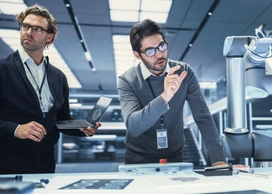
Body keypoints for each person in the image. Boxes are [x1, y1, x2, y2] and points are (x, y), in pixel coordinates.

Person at [0, 4, 101, 174]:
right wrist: (16, 129)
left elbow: (60, 120)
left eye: (37, 29)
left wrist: (82, 128)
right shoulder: (2, 68)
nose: (29, 32)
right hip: (7, 162)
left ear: (49, 37)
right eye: (25, 26)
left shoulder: (58, 77)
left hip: (46, 163)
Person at [117, 19, 228, 167]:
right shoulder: (127, 80)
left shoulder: (184, 72)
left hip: (175, 156)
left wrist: (218, 159)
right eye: (150, 51)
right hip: (138, 159)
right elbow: (133, 126)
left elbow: (203, 116)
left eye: (161, 46)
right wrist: (164, 98)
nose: (159, 55)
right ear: (137, 55)